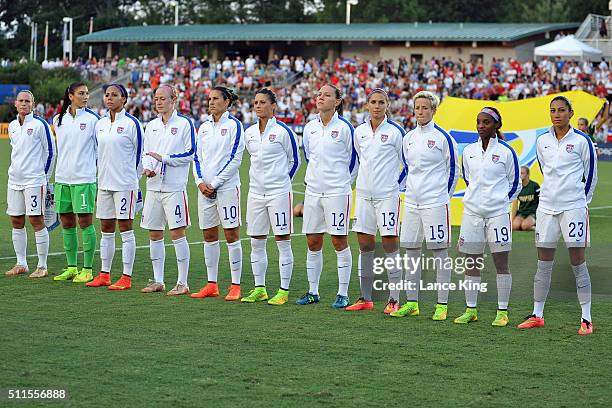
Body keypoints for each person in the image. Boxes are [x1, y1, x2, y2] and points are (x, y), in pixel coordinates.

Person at [518, 96, 598, 335]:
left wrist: (580, 202)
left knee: (577, 261)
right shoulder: (542, 141)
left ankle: (586, 318)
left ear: (570, 113)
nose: (556, 114)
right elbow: (545, 171)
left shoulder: (583, 141)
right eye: (553, 110)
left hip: (573, 207)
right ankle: (537, 314)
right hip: (546, 208)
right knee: (543, 262)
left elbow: (591, 175)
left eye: (561, 110)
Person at [390, 91, 459, 321]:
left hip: (435, 203)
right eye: (417, 107)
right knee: (411, 252)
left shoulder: (443, 137)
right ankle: (412, 303)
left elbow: (453, 171)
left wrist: (442, 196)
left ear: (433, 110)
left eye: (424, 108)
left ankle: (442, 304)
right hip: (411, 202)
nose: (420, 111)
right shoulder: (408, 138)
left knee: (439, 253)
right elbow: (407, 168)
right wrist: (404, 191)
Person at [454, 107, 520, 326]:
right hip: (472, 213)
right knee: (471, 263)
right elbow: (468, 179)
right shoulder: (469, 151)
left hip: (498, 214)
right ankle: (470, 309)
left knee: (501, 263)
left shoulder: (507, 152)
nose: (481, 126)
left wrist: (500, 202)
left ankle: (502, 312)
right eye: (479, 122)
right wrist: (478, 200)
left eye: (486, 122)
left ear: (497, 125)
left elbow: (516, 183)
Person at [297, 84, 358, 308]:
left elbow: (355, 160)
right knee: (313, 241)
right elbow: (310, 157)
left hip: (337, 192)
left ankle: (343, 293)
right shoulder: (310, 127)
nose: (320, 97)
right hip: (313, 191)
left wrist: (342, 183)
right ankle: (313, 291)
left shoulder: (345, 128)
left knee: (339, 240)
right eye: (319, 94)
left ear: (337, 101)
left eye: (326, 95)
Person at [345, 88, 404, 313]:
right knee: (365, 245)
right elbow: (358, 160)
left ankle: (394, 298)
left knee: (389, 245)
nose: (377, 106)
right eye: (373, 102)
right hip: (363, 195)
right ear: (367, 105)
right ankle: (365, 298)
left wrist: (394, 186)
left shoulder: (397, 131)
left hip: (387, 196)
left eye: (381, 102)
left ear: (387, 105)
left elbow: (406, 163)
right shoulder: (359, 132)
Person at [240, 88, 300, 305]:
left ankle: (283, 291)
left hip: (278, 194)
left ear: (273, 105)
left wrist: (282, 183)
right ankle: (260, 288)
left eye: (262, 102)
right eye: (255, 102)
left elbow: (295, 162)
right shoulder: (249, 133)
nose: (257, 106)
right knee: (256, 242)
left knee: (282, 242)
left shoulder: (284, 132)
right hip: (255, 194)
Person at [190, 86, 245, 301]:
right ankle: (211, 283)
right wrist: (200, 182)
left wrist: (215, 182)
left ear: (227, 101)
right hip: (204, 190)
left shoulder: (234, 125)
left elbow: (235, 158)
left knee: (231, 235)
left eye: (216, 99)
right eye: (209, 99)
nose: (211, 102)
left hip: (227, 188)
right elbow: (197, 158)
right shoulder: (203, 127)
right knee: (209, 235)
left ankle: (235, 285)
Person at [86, 84, 143, 290]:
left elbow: (140, 156)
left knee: (126, 229)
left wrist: (132, 181)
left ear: (124, 99)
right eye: (107, 95)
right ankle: (105, 274)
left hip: (125, 184)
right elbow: (96, 153)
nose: (109, 98)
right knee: (106, 229)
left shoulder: (132, 124)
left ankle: (126, 277)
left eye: (115, 95)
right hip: (104, 184)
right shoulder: (100, 124)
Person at [140, 84, 194, 296]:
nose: (158, 102)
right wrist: (147, 167)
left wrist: (164, 160)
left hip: (174, 188)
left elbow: (191, 153)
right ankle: (158, 280)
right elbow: (146, 153)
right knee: (154, 233)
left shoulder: (184, 124)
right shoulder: (151, 125)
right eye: (156, 98)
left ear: (174, 99)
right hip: (153, 187)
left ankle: (183, 282)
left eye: (163, 98)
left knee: (177, 233)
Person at [52, 82, 100, 283]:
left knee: (85, 222)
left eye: (87, 93)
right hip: (62, 179)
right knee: (67, 223)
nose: (86, 97)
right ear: (70, 96)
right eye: (81, 93)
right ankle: (72, 267)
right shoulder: (57, 119)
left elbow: (99, 150)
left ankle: (87, 269)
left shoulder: (93, 120)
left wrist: (95, 175)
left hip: (84, 180)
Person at [5, 90, 55, 278]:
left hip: (34, 181)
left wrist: (44, 177)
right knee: (16, 221)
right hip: (14, 180)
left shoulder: (40, 124)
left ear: (33, 104)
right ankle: (21, 263)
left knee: (36, 220)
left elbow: (50, 152)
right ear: (15, 104)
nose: (24, 104)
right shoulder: (11, 126)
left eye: (28, 101)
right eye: (21, 101)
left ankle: (42, 266)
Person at [512, 166, 539, 231]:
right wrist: (512, 219)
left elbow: (541, 201)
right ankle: (526, 225)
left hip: (532, 213)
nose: (520, 175)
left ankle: (537, 227)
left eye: (522, 173)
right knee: (515, 226)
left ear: (528, 174)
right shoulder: (518, 187)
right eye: (519, 173)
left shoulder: (534, 186)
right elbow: (515, 205)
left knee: (524, 226)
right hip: (522, 213)